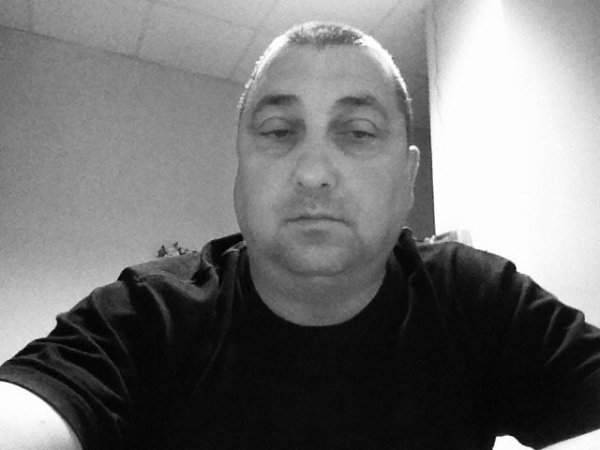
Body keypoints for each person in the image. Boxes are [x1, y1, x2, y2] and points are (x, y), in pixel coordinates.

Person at [1, 21, 600, 450]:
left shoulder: (478, 298)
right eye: (278, 130)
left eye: (358, 131)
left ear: (408, 178)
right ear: (240, 168)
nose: (313, 172)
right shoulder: (145, 316)